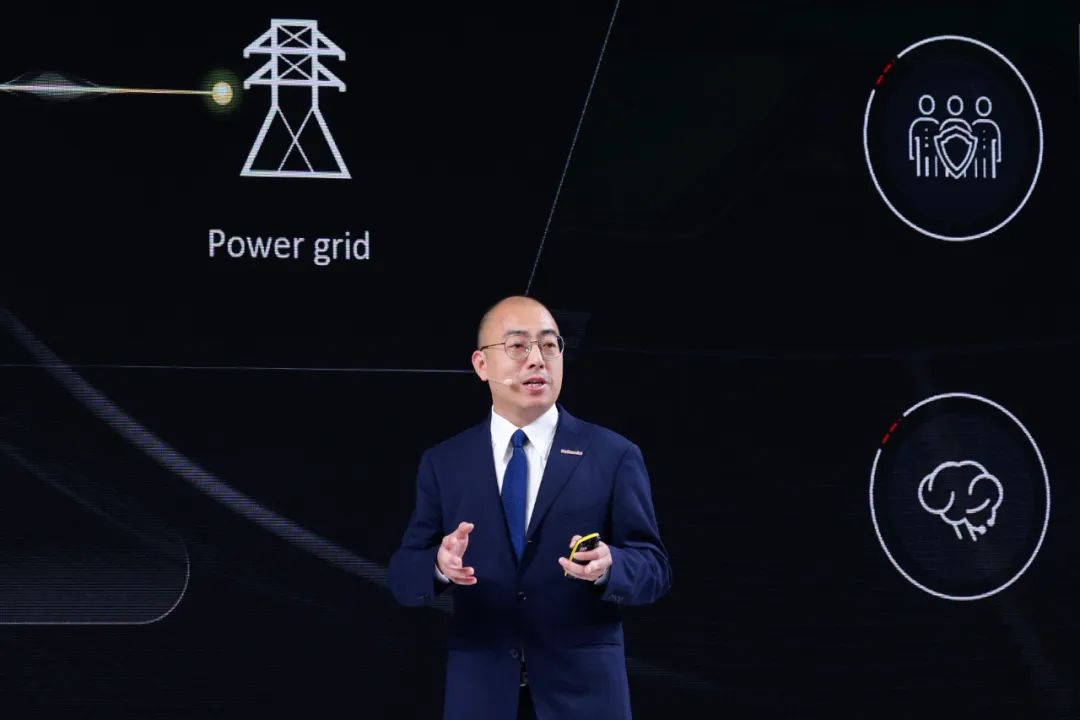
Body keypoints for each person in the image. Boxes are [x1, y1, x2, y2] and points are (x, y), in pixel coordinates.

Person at [389, 295, 671, 720]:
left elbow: (654, 569)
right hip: (481, 696)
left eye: (550, 345)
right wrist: (439, 565)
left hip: (584, 698)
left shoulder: (613, 455)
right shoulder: (445, 462)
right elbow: (403, 577)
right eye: (518, 346)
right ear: (481, 364)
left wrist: (610, 565)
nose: (537, 359)